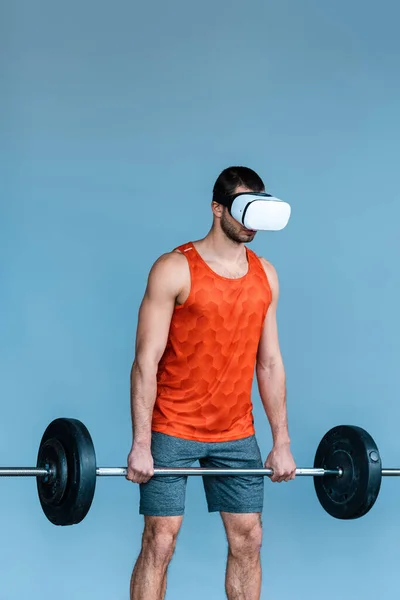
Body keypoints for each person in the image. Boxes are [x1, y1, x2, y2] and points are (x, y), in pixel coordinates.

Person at [126, 166, 296, 600]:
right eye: (242, 210)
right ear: (217, 208)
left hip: (236, 432)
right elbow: (146, 361)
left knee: (249, 539)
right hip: (174, 426)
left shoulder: (266, 276)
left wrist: (282, 442)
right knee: (160, 541)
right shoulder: (174, 268)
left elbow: (270, 363)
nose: (250, 223)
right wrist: (141, 444)